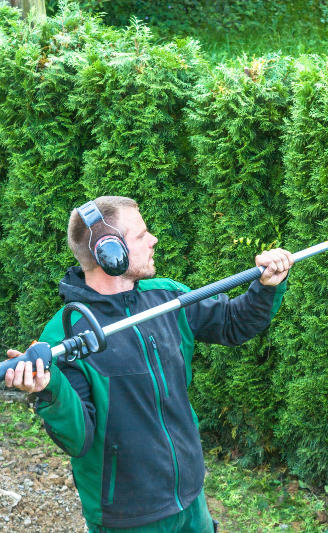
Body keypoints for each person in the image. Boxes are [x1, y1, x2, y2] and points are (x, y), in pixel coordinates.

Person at [3, 196, 293, 532]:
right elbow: (78, 437)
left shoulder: (166, 297)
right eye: (141, 235)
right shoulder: (65, 335)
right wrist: (50, 389)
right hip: (129, 516)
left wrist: (266, 288)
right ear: (109, 253)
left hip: (190, 498)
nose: (153, 239)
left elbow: (231, 323)